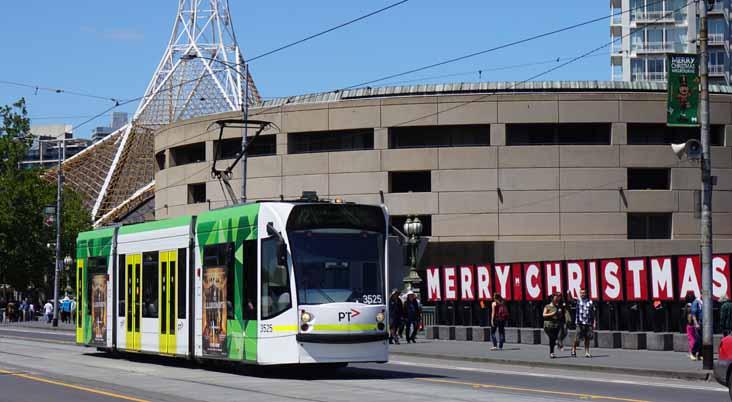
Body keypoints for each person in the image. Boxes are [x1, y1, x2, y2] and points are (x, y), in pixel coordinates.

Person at [572, 289, 596, 358]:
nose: (583, 294)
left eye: (584, 293)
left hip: (588, 322)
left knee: (587, 338)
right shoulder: (578, 301)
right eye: (581, 293)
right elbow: (571, 298)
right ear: (580, 294)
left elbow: (592, 313)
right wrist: (569, 292)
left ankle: (587, 352)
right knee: (577, 338)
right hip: (579, 322)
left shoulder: (590, 302)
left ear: (586, 293)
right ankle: (573, 349)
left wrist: (594, 321)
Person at [542, 293, 563, 358]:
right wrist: (553, 313)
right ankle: (552, 352)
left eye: (557, 299)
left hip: (556, 325)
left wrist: (560, 313)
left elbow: (560, 316)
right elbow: (544, 315)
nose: (557, 300)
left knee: (552, 340)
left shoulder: (558, 307)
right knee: (552, 338)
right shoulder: (547, 306)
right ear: (552, 299)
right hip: (548, 326)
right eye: (555, 299)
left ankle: (552, 352)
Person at [690, 293, 703, 361]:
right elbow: (693, 314)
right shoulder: (696, 302)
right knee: (698, 338)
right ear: (701, 294)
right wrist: (696, 323)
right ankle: (693, 353)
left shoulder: (704, 302)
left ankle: (700, 354)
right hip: (699, 322)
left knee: (702, 339)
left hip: (704, 323)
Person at [683, 293, 696, 360]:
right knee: (695, 338)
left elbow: (684, 315)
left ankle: (691, 352)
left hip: (689, 324)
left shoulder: (687, 306)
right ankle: (694, 352)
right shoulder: (694, 305)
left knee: (691, 338)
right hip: (695, 324)